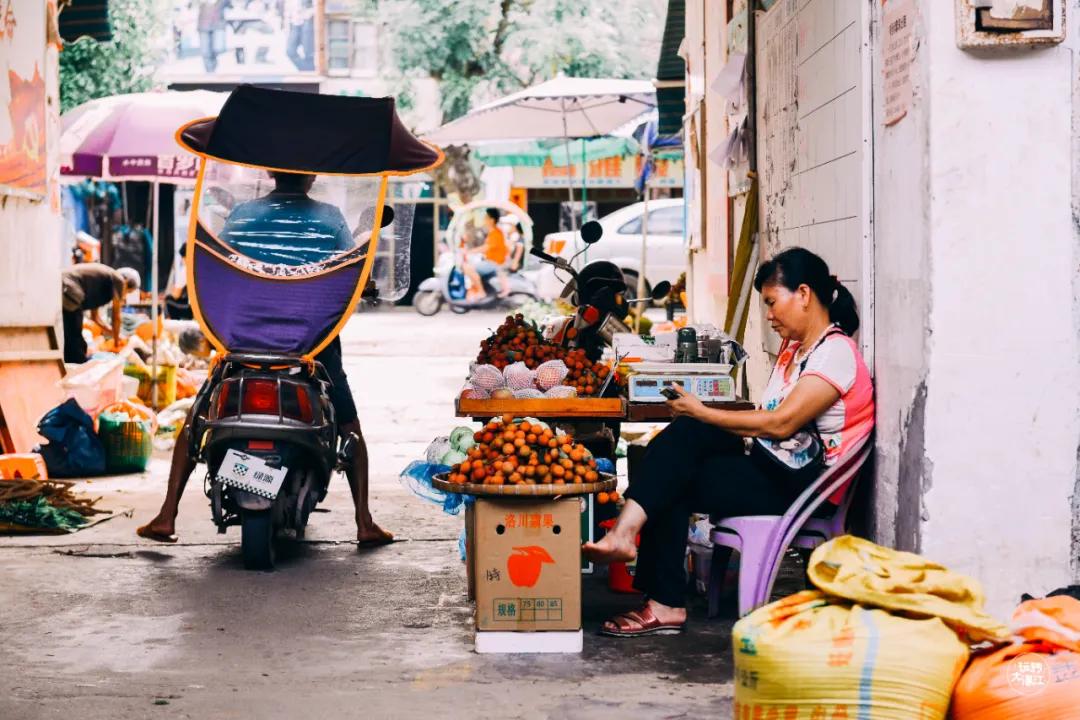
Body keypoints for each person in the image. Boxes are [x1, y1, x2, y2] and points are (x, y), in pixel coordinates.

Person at [583, 247, 875, 637]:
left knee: (681, 458)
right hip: (776, 468)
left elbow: (780, 423)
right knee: (679, 452)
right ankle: (634, 553)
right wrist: (701, 418)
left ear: (804, 294)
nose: (769, 315)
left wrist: (702, 412)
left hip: (804, 487)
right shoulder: (795, 351)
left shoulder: (835, 352)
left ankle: (654, 585)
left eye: (772, 302)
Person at [137, 170, 392, 547]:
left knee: (196, 420)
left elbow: (221, 267)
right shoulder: (331, 218)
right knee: (349, 426)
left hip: (243, 339)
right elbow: (347, 272)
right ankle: (364, 522)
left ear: (271, 173)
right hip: (311, 342)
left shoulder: (242, 214)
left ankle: (167, 513)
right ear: (313, 176)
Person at [61, 263, 140, 364]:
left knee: (72, 335)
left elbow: (95, 317)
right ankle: (77, 368)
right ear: (126, 282)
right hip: (70, 287)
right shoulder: (119, 280)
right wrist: (116, 343)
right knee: (75, 338)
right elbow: (116, 317)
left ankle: (72, 365)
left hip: (66, 286)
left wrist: (112, 333)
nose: (124, 296)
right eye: (127, 292)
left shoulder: (103, 283)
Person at [465, 207, 509, 299]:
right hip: (491, 261)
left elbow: (486, 247)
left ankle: (481, 292)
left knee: (468, 268)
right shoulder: (493, 232)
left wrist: (470, 252)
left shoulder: (496, 233)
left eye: (486, 217)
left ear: (492, 220)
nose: (484, 220)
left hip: (493, 263)